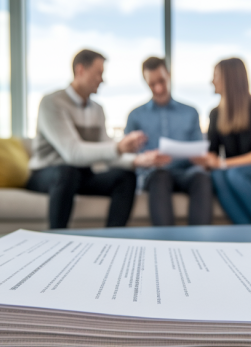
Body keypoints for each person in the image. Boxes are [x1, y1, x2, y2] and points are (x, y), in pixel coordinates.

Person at [27, 49, 157, 229]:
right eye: (99, 73)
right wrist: (118, 148)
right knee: (67, 172)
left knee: (125, 177)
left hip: (80, 175)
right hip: (48, 173)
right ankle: (57, 238)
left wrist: (138, 160)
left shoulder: (97, 109)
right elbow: (73, 153)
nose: (102, 80)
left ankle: (113, 238)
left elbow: (106, 151)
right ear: (81, 70)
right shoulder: (52, 103)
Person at [191, 58, 251, 224]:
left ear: (229, 78)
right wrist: (200, 159)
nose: (211, 81)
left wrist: (222, 164)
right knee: (217, 176)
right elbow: (212, 153)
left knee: (233, 174)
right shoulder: (215, 113)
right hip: (233, 172)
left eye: (216, 76)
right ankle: (247, 234)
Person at [125, 57, 213, 226]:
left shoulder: (191, 112)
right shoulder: (135, 116)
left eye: (162, 81)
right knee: (160, 176)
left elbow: (198, 149)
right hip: (155, 175)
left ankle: (199, 243)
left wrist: (201, 158)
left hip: (186, 172)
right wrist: (143, 157)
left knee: (201, 177)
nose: (158, 88)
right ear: (145, 82)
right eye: (152, 84)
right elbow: (127, 157)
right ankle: (165, 243)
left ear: (169, 75)